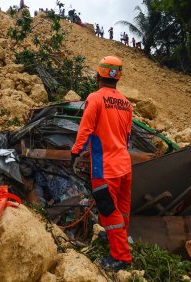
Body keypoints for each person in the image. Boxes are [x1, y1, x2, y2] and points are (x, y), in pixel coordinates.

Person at [71, 56, 133, 271]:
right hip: (124, 164)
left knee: (108, 210)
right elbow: (126, 137)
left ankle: (121, 256)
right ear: (118, 78)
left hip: (104, 166)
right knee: (122, 209)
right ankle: (120, 238)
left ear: (98, 75)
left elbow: (86, 130)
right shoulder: (126, 103)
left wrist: (75, 151)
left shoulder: (95, 98)